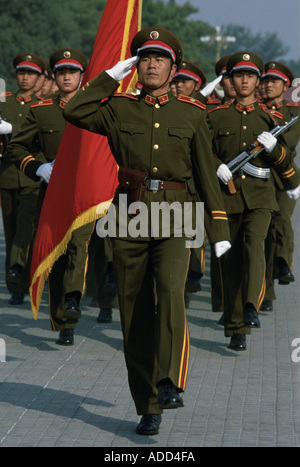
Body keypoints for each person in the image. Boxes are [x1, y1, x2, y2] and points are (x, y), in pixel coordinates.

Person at [63, 27, 231, 435]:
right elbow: (73, 110)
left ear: (174, 68)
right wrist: (107, 76)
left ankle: (169, 380)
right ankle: (148, 403)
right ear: (136, 67)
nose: (151, 64)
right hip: (129, 214)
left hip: (178, 214)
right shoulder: (118, 108)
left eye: (160, 58)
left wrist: (219, 226)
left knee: (172, 291)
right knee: (134, 311)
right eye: (144, 58)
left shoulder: (192, 113)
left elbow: (206, 174)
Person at [208, 51, 299, 351]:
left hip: (261, 198)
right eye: (239, 75)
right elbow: (201, 153)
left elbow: (286, 162)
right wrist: (215, 166)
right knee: (230, 261)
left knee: (254, 246)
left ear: (257, 81)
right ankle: (236, 325)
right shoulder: (216, 116)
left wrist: (274, 149)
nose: (244, 80)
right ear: (231, 81)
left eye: (250, 75)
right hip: (227, 197)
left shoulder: (270, 118)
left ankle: (251, 307)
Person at [6, 48, 94, 346]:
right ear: (54, 77)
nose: (67, 76)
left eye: (73, 72)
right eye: (61, 72)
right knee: (56, 253)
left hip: (86, 194)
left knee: (78, 246)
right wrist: (37, 167)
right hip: (51, 193)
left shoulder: (97, 108)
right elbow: (17, 147)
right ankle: (60, 316)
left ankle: (72, 303)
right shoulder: (42, 110)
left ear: (83, 76)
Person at [0, 53, 45, 305]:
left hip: (31, 178)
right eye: (21, 73)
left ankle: (22, 275)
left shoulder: (42, 105)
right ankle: (14, 283)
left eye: (30, 74)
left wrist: (11, 130)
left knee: (25, 230)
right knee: (11, 230)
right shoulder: (4, 101)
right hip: (6, 175)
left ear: (39, 78)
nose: (25, 77)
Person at [260, 61, 300, 311]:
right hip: (260, 176)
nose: (268, 86)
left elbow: (290, 142)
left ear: (285, 86)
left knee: (282, 220)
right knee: (262, 237)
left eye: (274, 81)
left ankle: (284, 262)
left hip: (285, 175)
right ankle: (267, 292)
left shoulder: (293, 114)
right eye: (264, 81)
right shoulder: (253, 110)